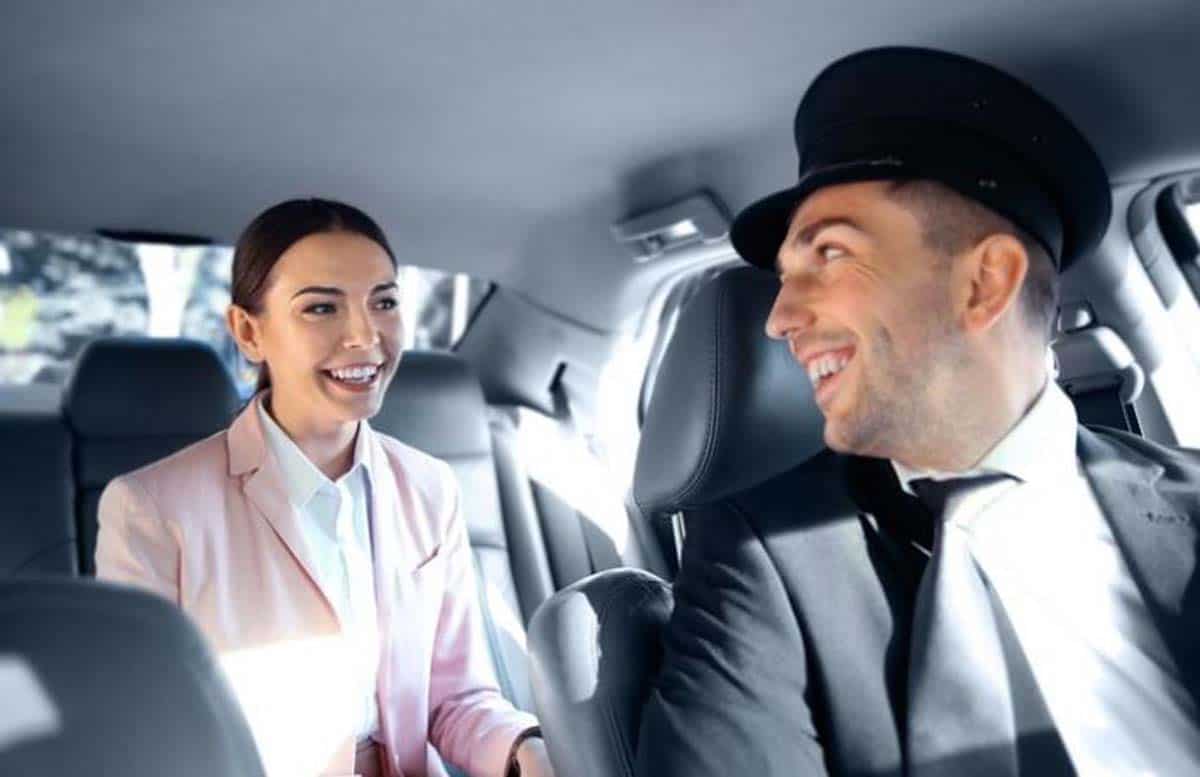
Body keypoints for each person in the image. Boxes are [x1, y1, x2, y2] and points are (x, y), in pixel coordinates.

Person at [636, 47, 1200, 777]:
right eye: (784, 276)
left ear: (984, 283)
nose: (779, 319)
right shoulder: (760, 554)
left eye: (829, 254)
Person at [96, 199, 555, 777]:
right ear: (248, 332)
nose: (365, 335)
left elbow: (454, 698)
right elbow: (149, 731)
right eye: (320, 308)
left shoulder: (429, 488)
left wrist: (523, 748)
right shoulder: (151, 509)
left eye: (383, 302)